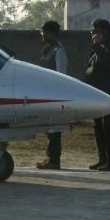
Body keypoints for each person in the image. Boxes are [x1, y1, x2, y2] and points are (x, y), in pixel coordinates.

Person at [85, 18, 110, 172]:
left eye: (95, 31)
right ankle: (103, 159)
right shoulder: (98, 48)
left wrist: (96, 46)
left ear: (104, 32)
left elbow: (108, 63)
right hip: (98, 95)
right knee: (98, 127)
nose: (92, 34)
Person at [36, 19, 68, 169]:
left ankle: (54, 160)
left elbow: (61, 74)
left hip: (54, 95)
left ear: (54, 33)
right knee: (49, 128)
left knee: (54, 129)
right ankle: (50, 157)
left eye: (45, 32)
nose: (43, 35)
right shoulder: (47, 49)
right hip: (45, 94)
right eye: (42, 31)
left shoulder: (58, 50)